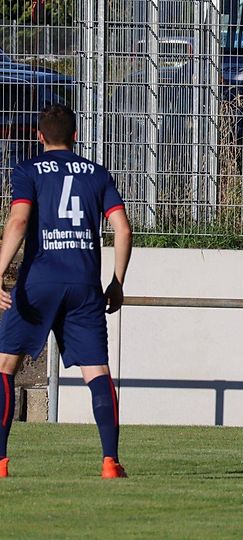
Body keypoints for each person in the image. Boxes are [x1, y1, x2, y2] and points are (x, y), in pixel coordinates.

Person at [0, 104, 133, 478]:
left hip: (38, 282)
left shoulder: (27, 170)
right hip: (84, 284)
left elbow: (19, 221)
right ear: (76, 136)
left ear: (39, 136)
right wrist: (117, 282)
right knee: (98, 372)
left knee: (5, 366)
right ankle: (110, 461)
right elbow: (123, 229)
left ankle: (1, 462)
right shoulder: (97, 173)